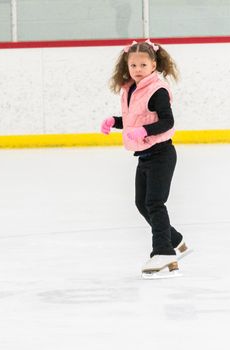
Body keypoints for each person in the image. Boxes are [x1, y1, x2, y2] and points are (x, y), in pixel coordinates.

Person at [100, 39, 188, 277]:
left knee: (155, 203)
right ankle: (176, 241)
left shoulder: (157, 90)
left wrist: (144, 132)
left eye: (142, 64)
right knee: (142, 203)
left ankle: (163, 251)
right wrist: (115, 122)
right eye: (133, 65)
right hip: (145, 155)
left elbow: (167, 121)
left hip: (162, 154)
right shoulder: (131, 89)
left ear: (153, 65)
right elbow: (135, 120)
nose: (137, 69)